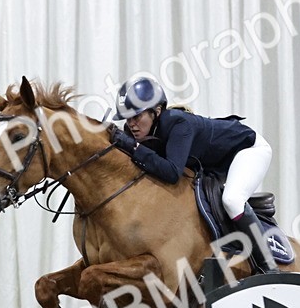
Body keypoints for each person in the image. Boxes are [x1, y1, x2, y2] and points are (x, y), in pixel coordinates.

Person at [108, 75, 278, 273]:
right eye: (127, 119)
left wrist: (134, 148)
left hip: (248, 150)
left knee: (232, 200)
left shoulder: (179, 124)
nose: (131, 125)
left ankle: (268, 267)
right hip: (217, 162)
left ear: (156, 111)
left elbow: (171, 172)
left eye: (136, 117)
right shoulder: (144, 129)